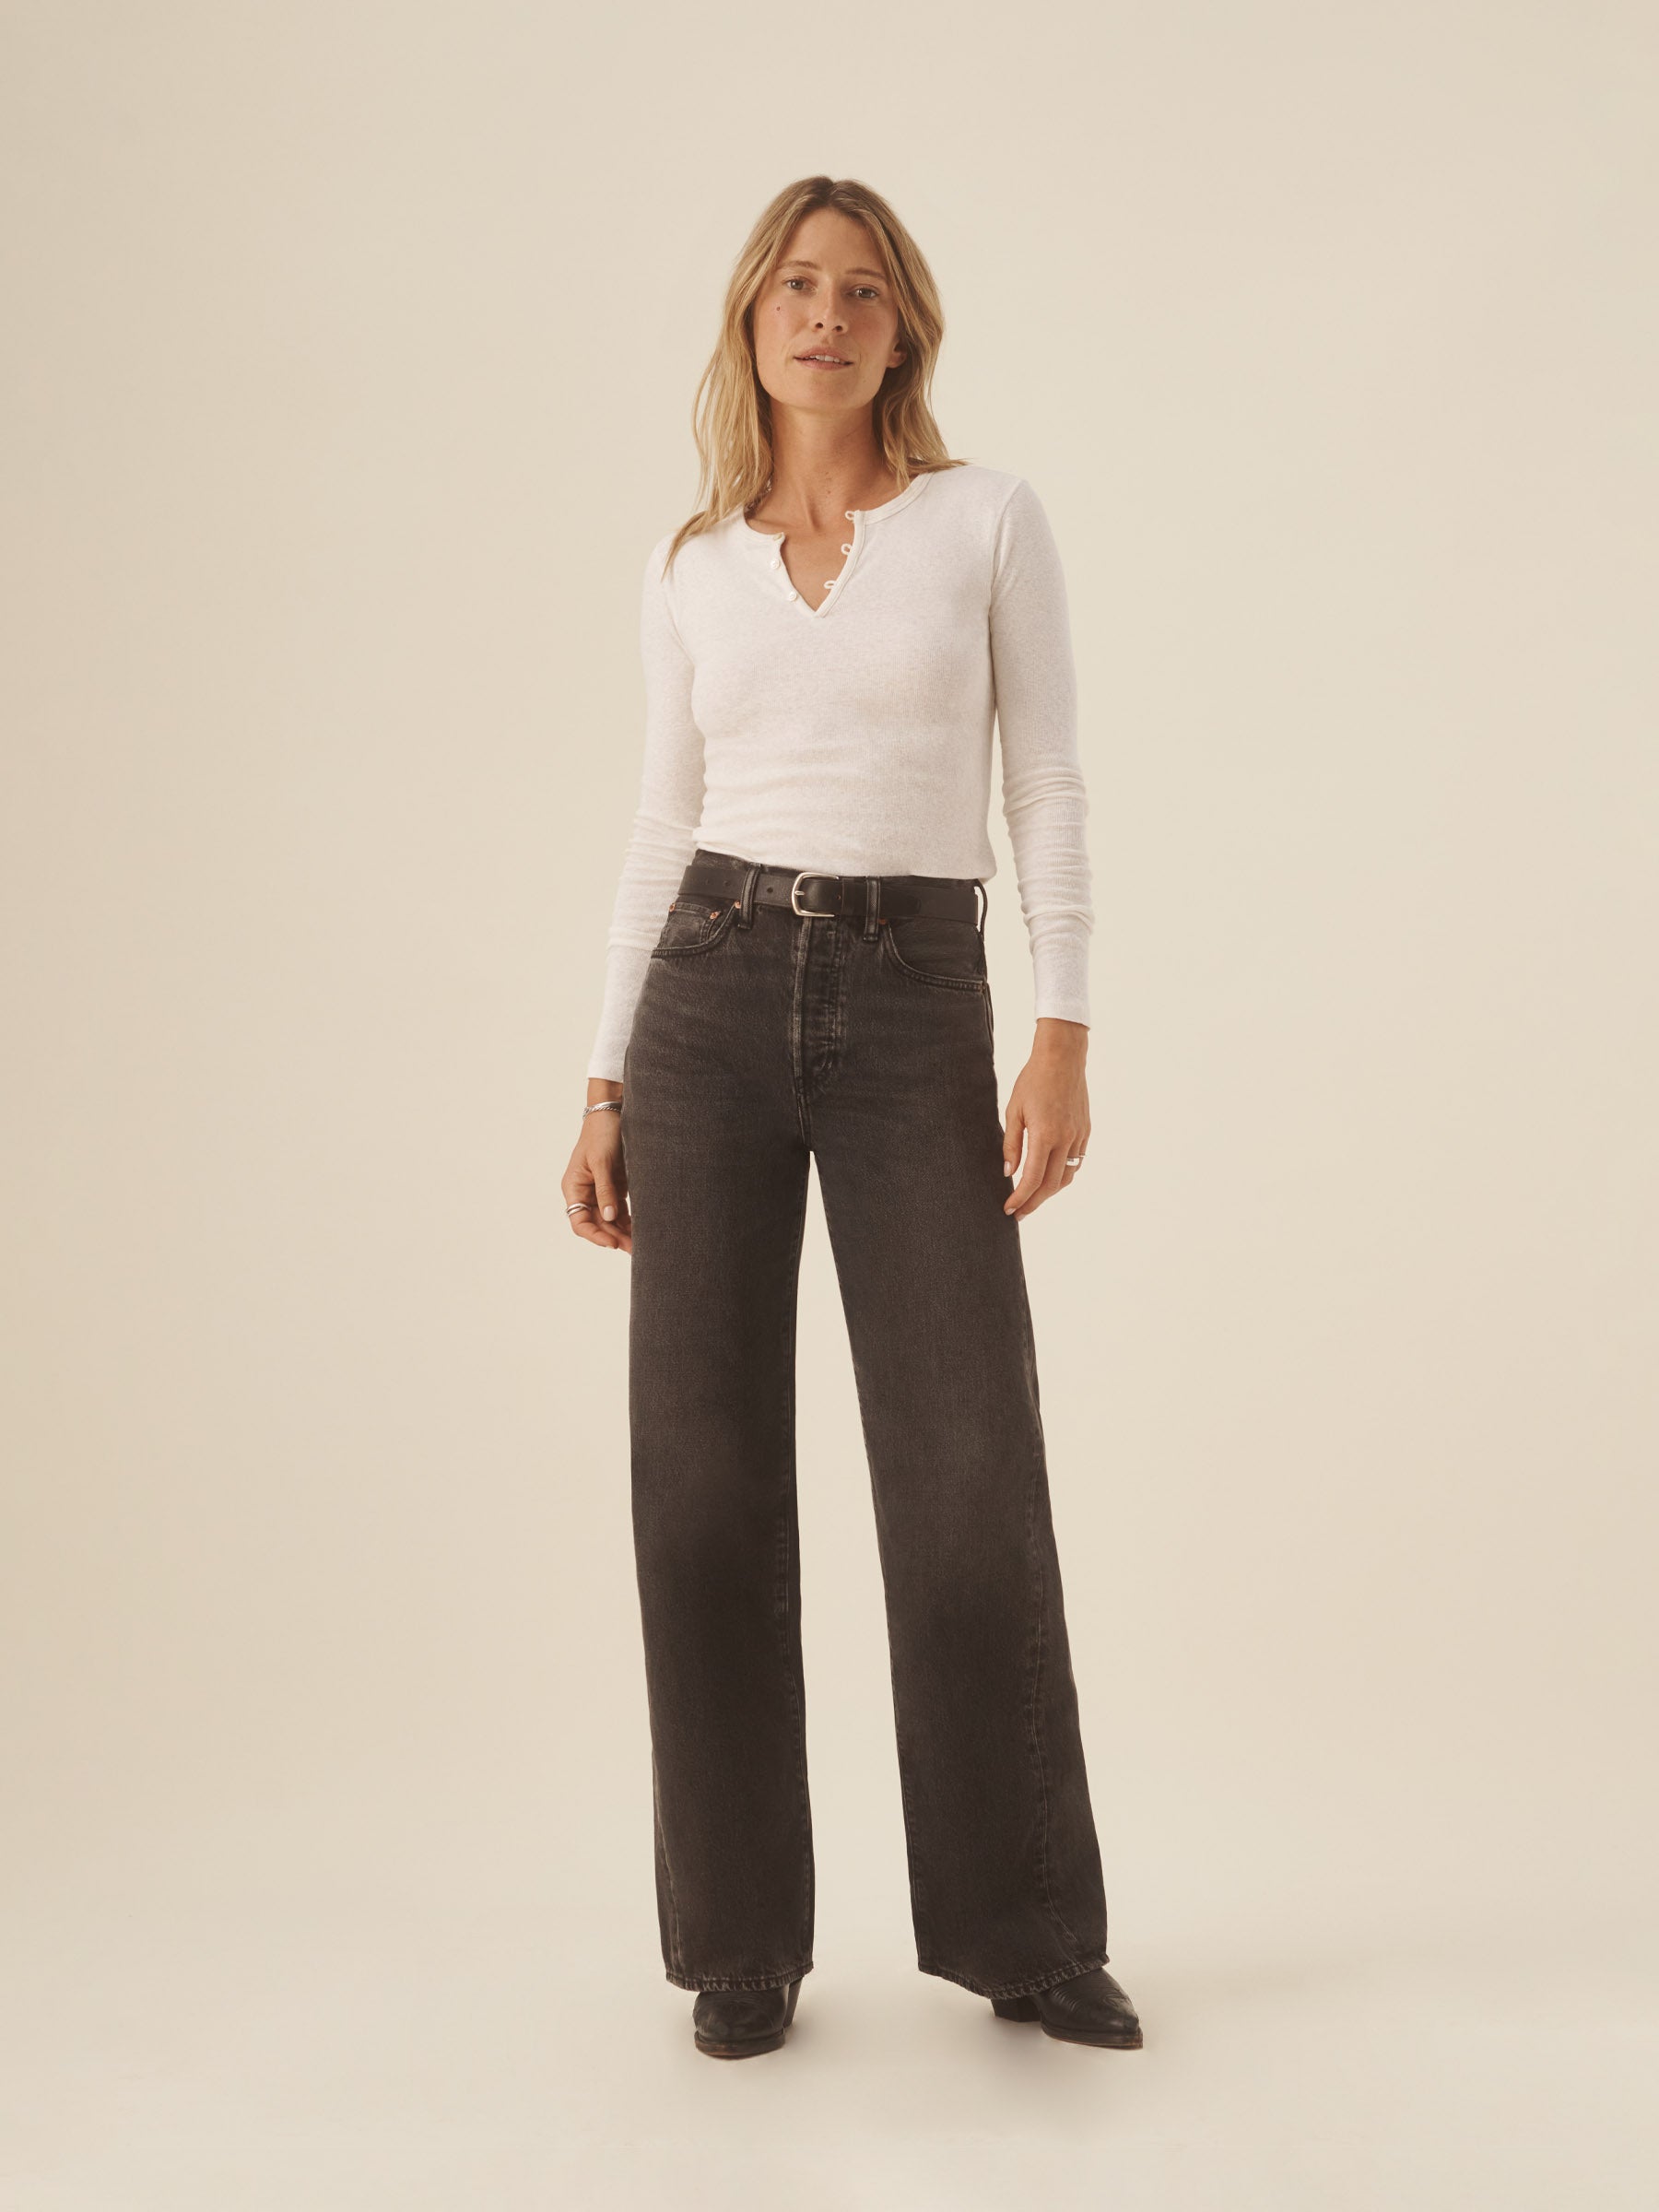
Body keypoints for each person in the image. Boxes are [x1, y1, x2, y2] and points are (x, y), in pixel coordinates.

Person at [563, 174, 1142, 2061]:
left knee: (967, 1469)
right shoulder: (691, 565)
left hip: (913, 1002)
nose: (828, 316)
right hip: (707, 997)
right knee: (704, 1478)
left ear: (906, 331)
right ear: (752, 320)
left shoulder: (986, 521)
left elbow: (1045, 780)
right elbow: (663, 818)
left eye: (864, 291)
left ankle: (1025, 1933)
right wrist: (601, 1075)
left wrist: (1061, 1029)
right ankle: (740, 1944)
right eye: (798, 287)